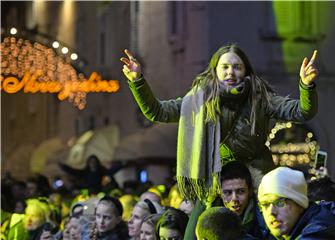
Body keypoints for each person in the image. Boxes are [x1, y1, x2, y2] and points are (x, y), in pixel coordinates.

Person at [121, 44, 318, 203]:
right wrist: (137, 80)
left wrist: (306, 85)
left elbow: (302, 111)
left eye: (237, 67)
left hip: (255, 184)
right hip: (213, 186)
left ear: (245, 71)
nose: (230, 72)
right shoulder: (199, 100)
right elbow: (157, 112)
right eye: (224, 67)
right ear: (215, 71)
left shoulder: (261, 98)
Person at [258, 167, 335, 239]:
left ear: (299, 204)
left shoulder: (314, 236)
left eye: (280, 202)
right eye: (265, 204)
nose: (271, 212)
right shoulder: (324, 220)